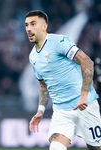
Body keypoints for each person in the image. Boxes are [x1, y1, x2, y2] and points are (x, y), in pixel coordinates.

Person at [25, 10, 101, 150]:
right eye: (27, 25)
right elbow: (43, 86)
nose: (29, 28)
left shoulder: (59, 41)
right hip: (62, 112)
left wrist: (84, 95)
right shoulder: (33, 57)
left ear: (44, 26)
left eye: (33, 24)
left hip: (85, 105)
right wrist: (40, 110)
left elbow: (87, 63)